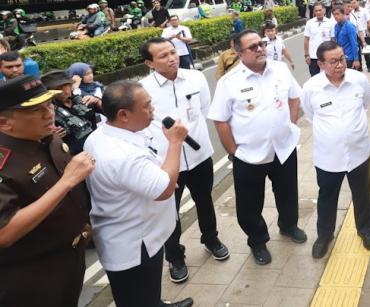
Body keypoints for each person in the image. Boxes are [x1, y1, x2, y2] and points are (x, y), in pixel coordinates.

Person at [83, 81, 193, 307]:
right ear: (123, 114)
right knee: (137, 297)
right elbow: (164, 189)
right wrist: (175, 142)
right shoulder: (122, 154)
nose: (152, 109)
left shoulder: (102, 134)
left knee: (148, 292)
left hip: (140, 231)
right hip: (134, 242)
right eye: (147, 106)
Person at [208, 30, 306, 265]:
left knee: (288, 192)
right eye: (253, 47)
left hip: (283, 148)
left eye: (261, 44)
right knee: (250, 204)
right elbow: (220, 120)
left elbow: (294, 98)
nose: (260, 48)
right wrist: (234, 151)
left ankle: (288, 225)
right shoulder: (229, 83)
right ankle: (258, 240)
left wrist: (289, 126)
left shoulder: (280, 69)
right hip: (249, 155)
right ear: (239, 53)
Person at [139, 38, 229, 283]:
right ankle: (175, 257)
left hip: (200, 156)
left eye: (173, 52)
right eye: (163, 56)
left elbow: (203, 110)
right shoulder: (143, 90)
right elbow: (143, 129)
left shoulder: (196, 78)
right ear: (149, 63)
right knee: (169, 212)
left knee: (204, 200)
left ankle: (211, 239)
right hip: (167, 163)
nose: (172, 58)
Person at [0, 75, 95, 307]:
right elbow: (5, 233)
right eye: (35, 110)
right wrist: (67, 182)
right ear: (4, 123)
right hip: (32, 274)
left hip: (70, 257)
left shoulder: (47, 136)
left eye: (49, 104)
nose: (49, 113)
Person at [301, 41, 370, 259]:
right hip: (328, 157)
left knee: (362, 194)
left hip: (358, 153)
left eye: (342, 58)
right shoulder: (311, 88)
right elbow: (310, 115)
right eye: (333, 61)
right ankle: (324, 235)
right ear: (321, 64)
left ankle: (365, 230)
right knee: (327, 197)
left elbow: (366, 103)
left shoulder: (359, 80)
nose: (340, 64)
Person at [42, 70, 98, 155]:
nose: (61, 91)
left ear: (71, 85)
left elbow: (111, 112)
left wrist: (97, 101)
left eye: (64, 86)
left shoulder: (82, 97)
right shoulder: (47, 112)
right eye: (56, 89)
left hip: (98, 146)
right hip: (76, 156)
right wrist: (52, 137)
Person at [304, 2, 333, 76]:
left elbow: (333, 40)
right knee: (314, 78)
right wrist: (306, 55)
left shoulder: (330, 23)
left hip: (326, 56)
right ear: (314, 11)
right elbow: (306, 39)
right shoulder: (309, 23)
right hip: (313, 56)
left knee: (328, 77)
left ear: (324, 10)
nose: (318, 12)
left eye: (320, 10)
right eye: (316, 11)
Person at [333, 5, 361, 69]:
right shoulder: (336, 26)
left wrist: (356, 59)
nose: (335, 16)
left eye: (337, 14)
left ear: (343, 14)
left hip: (349, 57)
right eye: (334, 14)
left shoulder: (349, 26)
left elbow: (354, 43)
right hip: (340, 56)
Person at [349, 0, 370, 71]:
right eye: (351, 3)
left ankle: (369, 66)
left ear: (358, 2)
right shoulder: (351, 13)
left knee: (366, 51)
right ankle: (359, 67)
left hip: (363, 33)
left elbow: (369, 21)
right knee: (357, 51)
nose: (353, 5)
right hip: (355, 35)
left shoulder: (364, 10)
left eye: (354, 2)